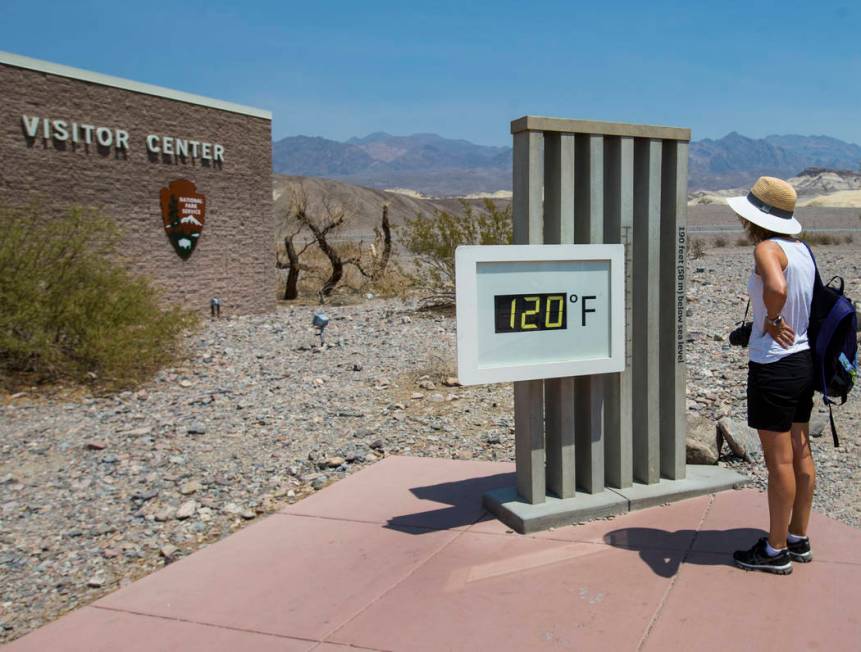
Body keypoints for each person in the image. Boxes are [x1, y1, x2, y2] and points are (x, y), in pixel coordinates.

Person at [727, 176, 816, 575]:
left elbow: (776, 288)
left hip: (774, 365)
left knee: (778, 462)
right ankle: (797, 537)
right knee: (800, 451)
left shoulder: (767, 248)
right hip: (802, 361)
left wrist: (774, 318)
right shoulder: (802, 250)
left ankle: (774, 550)